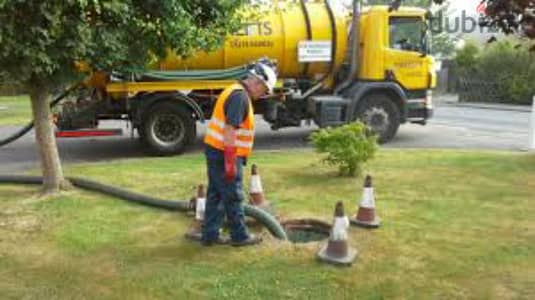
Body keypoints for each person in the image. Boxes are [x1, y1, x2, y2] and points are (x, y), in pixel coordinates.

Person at [201, 60, 277, 247]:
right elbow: (229, 130)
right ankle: (240, 236)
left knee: (216, 194)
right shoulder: (240, 97)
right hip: (224, 153)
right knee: (233, 196)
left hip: (216, 150)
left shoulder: (234, 90)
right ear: (257, 82)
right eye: (265, 90)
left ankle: (210, 235)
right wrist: (230, 162)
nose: (264, 94)